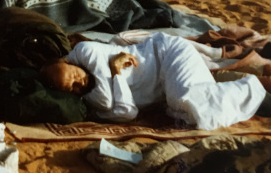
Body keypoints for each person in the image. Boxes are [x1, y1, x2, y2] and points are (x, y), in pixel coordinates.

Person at [40, 32, 271, 131]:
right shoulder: (90, 93)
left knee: (187, 99)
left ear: (67, 61)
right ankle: (247, 84)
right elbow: (127, 113)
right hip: (164, 87)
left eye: (73, 75)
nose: (79, 82)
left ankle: (257, 86)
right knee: (186, 115)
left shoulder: (85, 51)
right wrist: (116, 72)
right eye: (72, 87)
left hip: (167, 55)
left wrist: (111, 77)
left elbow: (119, 107)